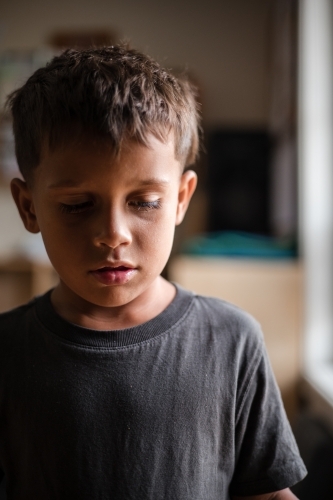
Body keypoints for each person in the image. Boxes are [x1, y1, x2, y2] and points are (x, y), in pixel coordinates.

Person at [0, 45, 306, 499]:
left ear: (181, 199)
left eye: (144, 202)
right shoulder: (7, 352)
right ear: (29, 207)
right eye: (77, 205)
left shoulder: (232, 340)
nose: (113, 234)